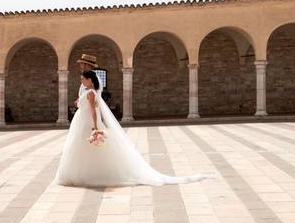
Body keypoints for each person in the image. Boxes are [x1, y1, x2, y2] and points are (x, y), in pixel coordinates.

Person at [55, 70, 206, 187]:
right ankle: (83, 173)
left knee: (84, 147)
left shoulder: (91, 92)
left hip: (86, 122)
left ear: (89, 80)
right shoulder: (90, 92)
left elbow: (94, 111)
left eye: (83, 78)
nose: (81, 80)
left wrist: (95, 127)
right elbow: (88, 106)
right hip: (82, 120)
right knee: (81, 147)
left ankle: (86, 174)